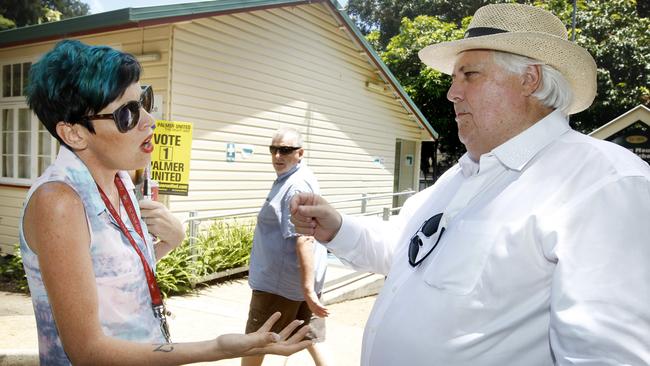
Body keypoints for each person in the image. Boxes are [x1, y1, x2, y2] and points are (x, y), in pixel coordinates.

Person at [290, 4, 650, 366]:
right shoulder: (462, 175)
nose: (451, 93)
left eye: (470, 75)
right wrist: (336, 227)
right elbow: (404, 252)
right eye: (454, 77)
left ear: (530, 80)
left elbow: (608, 357)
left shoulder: (604, 183)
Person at [20, 40, 312, 365]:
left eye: (144, 100)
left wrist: (170, 243)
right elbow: (87, 351)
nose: (149, 120)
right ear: (74, 134)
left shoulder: (120, 181)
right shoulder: (59, 202)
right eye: (127, 114)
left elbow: (112, 280)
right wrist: (223, 348)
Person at [243, 127, 330, 366]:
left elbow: (304, 238)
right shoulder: (295, 178)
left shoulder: (295, 186)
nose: (277, 156)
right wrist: (308, 288)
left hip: (279, 287)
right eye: (273, 150)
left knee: (255, 341)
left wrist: (308, 290)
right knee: (310, 338)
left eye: (285, 150)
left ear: (300, 153)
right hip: (300, 284)